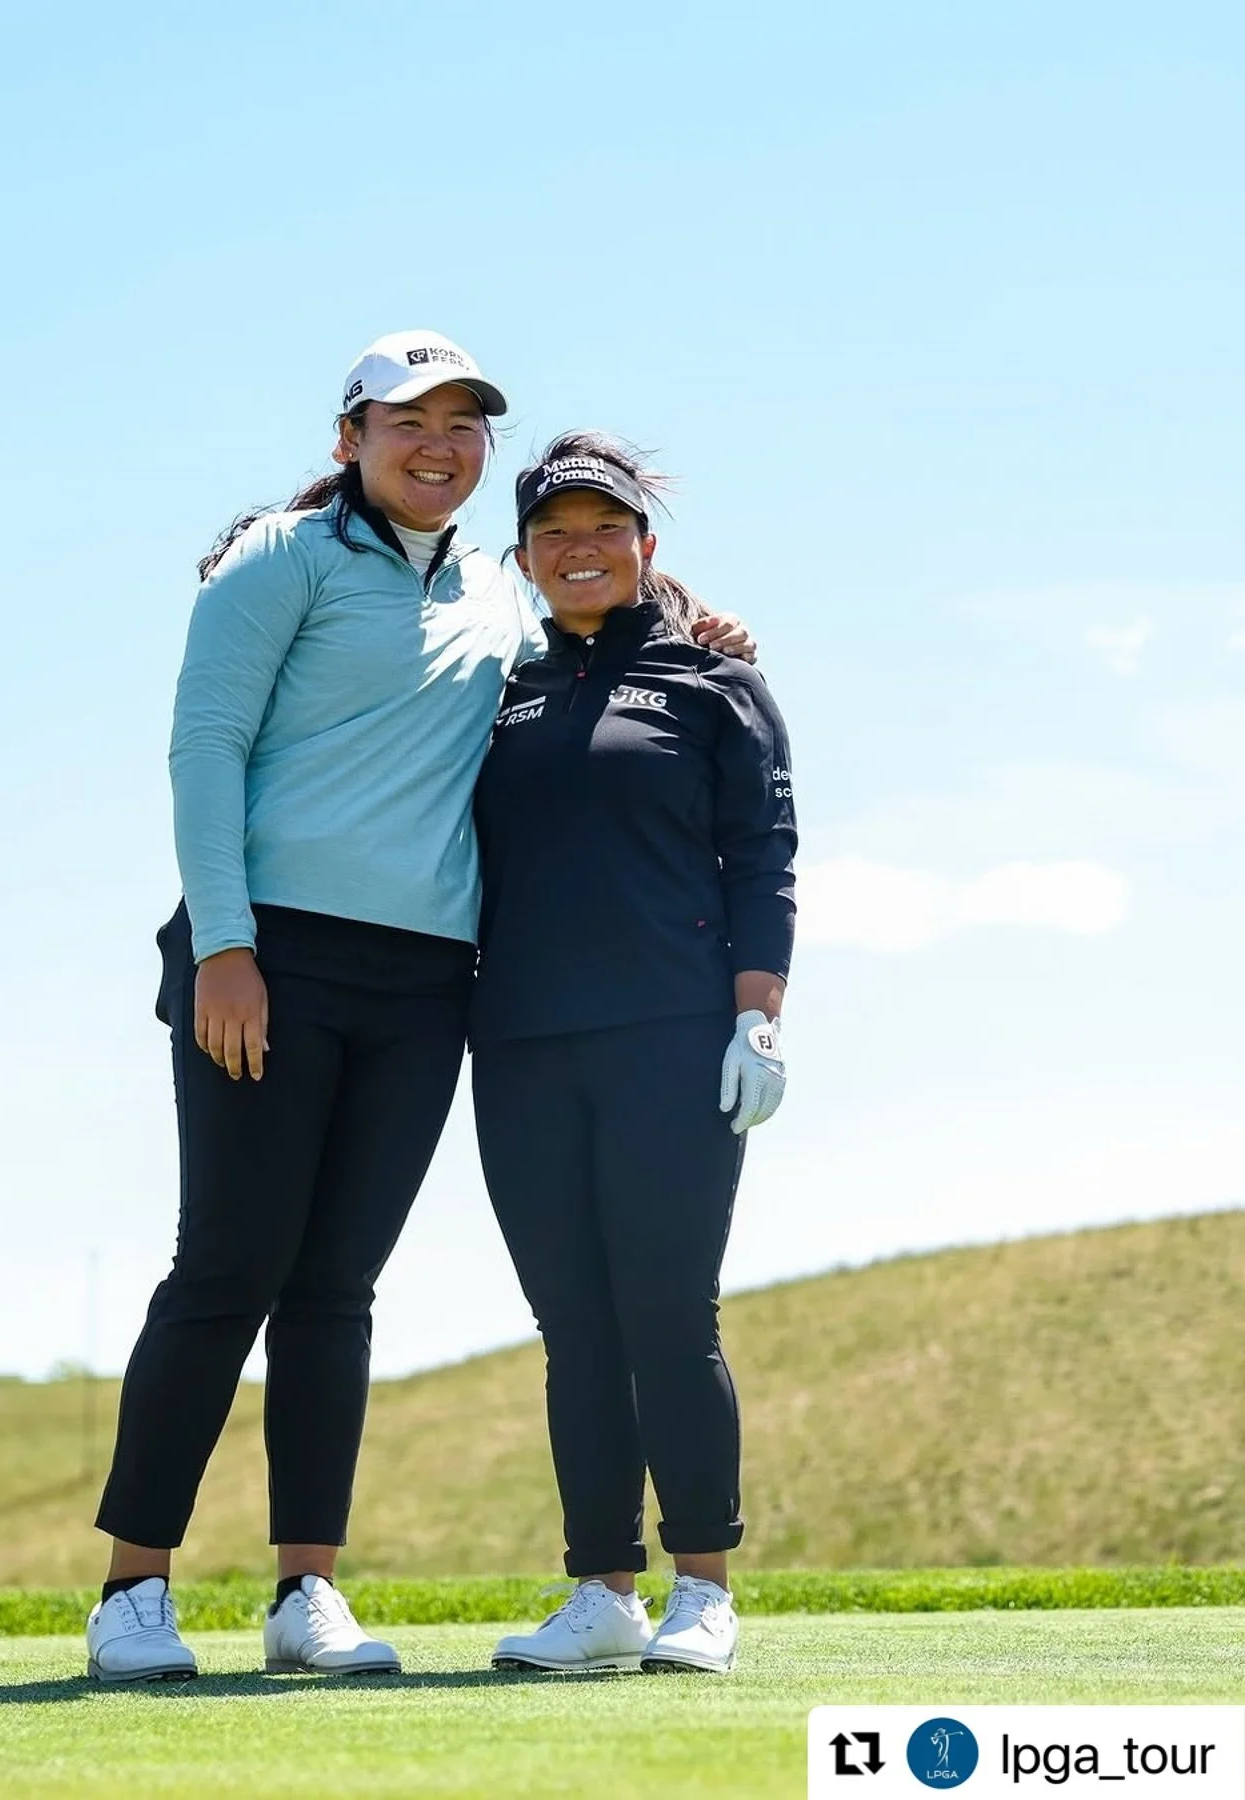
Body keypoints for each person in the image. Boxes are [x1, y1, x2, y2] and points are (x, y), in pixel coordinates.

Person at [84, 336, 757, 1684]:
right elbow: (203, 747)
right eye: (410, 423)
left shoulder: (496, 591)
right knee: (229, 1267)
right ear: (351, 439)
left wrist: (692, 618)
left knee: (338, 1288)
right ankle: (133, 1592)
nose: (441, 444)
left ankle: (304, 1593)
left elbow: (590, 609)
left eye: (465, 424)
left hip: (425, 981)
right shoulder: (279, 559)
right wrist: (225, 944)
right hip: (267, 958)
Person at [470, 434, 797, 1676]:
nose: (581, 550)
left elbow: (763, 855)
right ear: (527, 561)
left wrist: (758, 1015)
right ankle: (601, 1589)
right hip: (521, 1043)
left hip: (672, 1038)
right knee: (574, 1325)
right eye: (556, 537)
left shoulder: (716, 681)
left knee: (669, 1312)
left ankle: (701, 1588)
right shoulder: (499, 685)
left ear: (644, 547)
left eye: (604, 530)